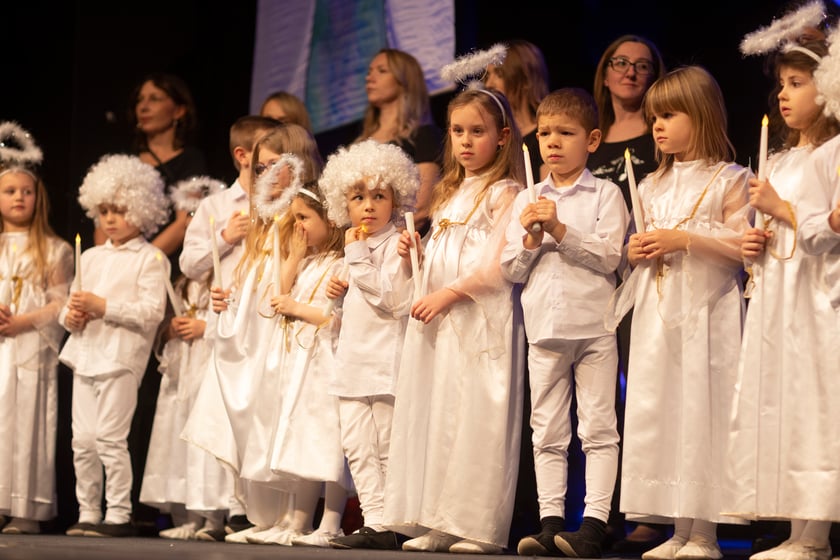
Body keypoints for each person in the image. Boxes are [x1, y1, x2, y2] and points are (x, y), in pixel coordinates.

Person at [605, 65, 751, 560]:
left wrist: (684, 239)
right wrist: (636, 251)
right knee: (662, 412)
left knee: (701, 408)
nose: (658, 126)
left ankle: (705, 531)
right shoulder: (649, 185)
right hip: (658, 313)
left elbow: (743, 246)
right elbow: (632, 245)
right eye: (654, 117)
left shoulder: (731, 179)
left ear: (701, 113)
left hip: (706, 314)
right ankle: (678, 528)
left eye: (669, 115)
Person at [381, 85, 524, 555]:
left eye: (477, 132)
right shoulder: (448, 192)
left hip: (479, 319)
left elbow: (496, 264)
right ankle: (440, 518)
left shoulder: (506, 192)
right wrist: (415, 256)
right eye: (458, 131)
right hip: (443, 320)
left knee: (476, 415)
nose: (465, 141)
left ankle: (476, 524)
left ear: (502, 137)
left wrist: (447, 293)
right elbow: (445, 255)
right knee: (441, 415)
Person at [500, 88, 628, 557]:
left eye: (566, 133)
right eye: (545, 133)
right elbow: (510, 269)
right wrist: (532, 240)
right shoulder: (527, 198)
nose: (552, 142)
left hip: (594, 326)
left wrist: (559, 230)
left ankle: (593, 524)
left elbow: (611, 256)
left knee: (597, 429)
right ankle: (550, 522)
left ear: (592, 140)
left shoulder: (606, 193)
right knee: (547, 430)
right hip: (545, 329)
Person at [734, 14, 840, 560]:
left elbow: (828, 231)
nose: (784, 95)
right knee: (786, 404)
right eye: (781, 85)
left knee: (814, 406)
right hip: (781, 298)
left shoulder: (834, 153)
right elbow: (782, 231)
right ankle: (798, 532)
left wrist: (783, 210)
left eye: (797, 84)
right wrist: (757, 241)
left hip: (818, 300)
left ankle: (815, 536)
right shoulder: (782, 157)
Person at [202, 124, 325, 545]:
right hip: (250, 324)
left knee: (278, 411)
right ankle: (264, 513)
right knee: (252, 412)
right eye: (261, 167)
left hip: (280, 323)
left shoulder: (303, 213)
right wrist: (227, 298)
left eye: (276, 165)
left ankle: (292, 513)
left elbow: (291, 276)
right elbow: (246, 274)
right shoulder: (259, 215)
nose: (267, 174)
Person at [177, 115, 280, 539]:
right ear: (243, 155)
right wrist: (224, 236)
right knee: (226, 411)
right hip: (224, 318)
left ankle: (252, 507)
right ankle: (224, 509)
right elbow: (188, 264)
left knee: (258, 408)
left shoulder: (280, 198)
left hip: (265, 316)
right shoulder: (217, 206)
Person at [58, 153, 170, 538]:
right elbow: (70, 306)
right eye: (104, 210)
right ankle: (88, 510)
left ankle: (118, 513)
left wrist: (103, 307)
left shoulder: (151, 258)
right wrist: (69, 318)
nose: (109, 219)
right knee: (82, 441)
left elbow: (152, 311)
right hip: (86, 353)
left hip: (121, 358)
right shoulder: (90, 256)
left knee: (109, 438)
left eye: (119, 210)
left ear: (142, 208)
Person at [316, 140, 420, 550]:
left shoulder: (399, 243)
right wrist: (336, 296)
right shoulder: (350, 253)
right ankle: (374, 520)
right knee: (357, 446)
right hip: (353, 363)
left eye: (379, 195)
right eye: (358, 197)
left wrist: (357, 256)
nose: (369, 206)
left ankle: (393, 522)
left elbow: (394, 301)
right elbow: (342, 317)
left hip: (386, 362)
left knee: (387, 446)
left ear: (395, 197)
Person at [587, 33, 669, 553]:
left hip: (645, 270)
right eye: (620, 62)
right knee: (599, 405)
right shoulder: (592, 134)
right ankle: (601, 508)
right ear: (606, 70)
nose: (630, 72)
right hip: (591, 278)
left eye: (642, 65)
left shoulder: (660, 134)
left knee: (644, 391)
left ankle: (649, 512)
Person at [138, 175, 232, 541]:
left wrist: (204, 327)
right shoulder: (181, 280)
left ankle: (214, 516)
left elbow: (237, 320)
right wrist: (172, 328)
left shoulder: (226, 275)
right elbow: (163, 328)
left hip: (210, 362)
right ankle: (187, 513)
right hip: (183, 367)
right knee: (176, 435)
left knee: (206, 434)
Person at [261, 180, 349, 547]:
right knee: (305, 439)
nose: (297, 226)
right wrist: (294, 256)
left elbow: (337, 319)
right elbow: (274, 299)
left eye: (304, 218)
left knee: (331, 441)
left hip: (329, 363)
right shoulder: (309, 262)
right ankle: (297, 521)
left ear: (330, 220)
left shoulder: (343, 262)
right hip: (303, 364)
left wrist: (297, 309)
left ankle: (331, 522)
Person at [0, 122, 73, 535]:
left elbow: (59, 302)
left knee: (28, 422)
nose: (19, 198)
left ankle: (27, 508)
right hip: (0, 347)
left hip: (30, 348)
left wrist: (22, 321)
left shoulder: (54, 248)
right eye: (10, 191)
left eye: (26, 191)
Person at [355, 48, 444, 232]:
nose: (369, 78)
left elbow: (419, 208)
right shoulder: (358, 146)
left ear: (405, 80)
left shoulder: (424, 137)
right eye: (369, 71)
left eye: (382, 71)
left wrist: (380, 246)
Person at [485, 39, 550, 181]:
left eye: (499, 74)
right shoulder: (493, 138)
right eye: (488, 75)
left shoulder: (546, 137)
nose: (489, 84)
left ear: (525, 80)